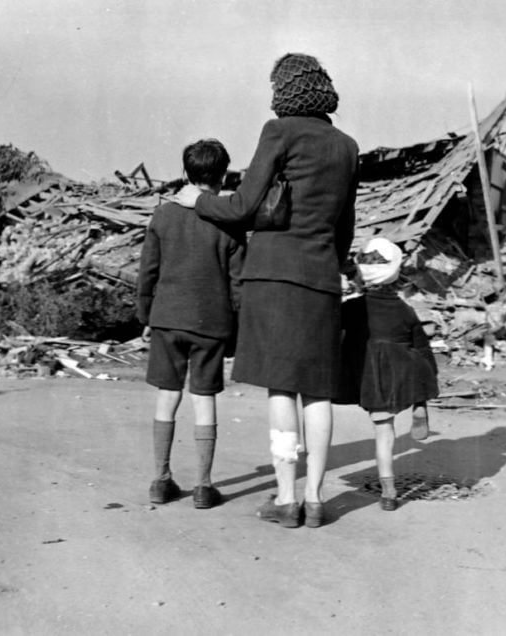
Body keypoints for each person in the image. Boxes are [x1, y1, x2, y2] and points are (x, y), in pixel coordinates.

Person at [176, 53, 359, 528]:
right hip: (321, 278)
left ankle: (285, 498)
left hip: (275, 275)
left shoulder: (279, 132)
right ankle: (316, 499)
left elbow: (242, 206)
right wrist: (329, 265)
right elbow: (346, 228)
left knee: (282, 389)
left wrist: (200, 201)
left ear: (284, 90)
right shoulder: (347, 146)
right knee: (318, 391)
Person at [137, 138, 246, 510]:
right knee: (204, 399)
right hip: (211, 323)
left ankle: (160, 479)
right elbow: (238, 283)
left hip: (167, 318)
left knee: (167, 397)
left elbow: (148, 271)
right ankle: (203, 486)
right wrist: (235, 329)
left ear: (186, 173)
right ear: (223, 176)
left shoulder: (163, 215)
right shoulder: (228, 221)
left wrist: (145, 315)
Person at [339, 237, 439, 511]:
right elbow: (423, 348)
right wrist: (430, 381)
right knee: (418, 361)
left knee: (384, 431)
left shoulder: (351, 309)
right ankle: (421, 401)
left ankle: (389, 489)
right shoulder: (405, 310)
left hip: (373, 378)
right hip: (404, 372)